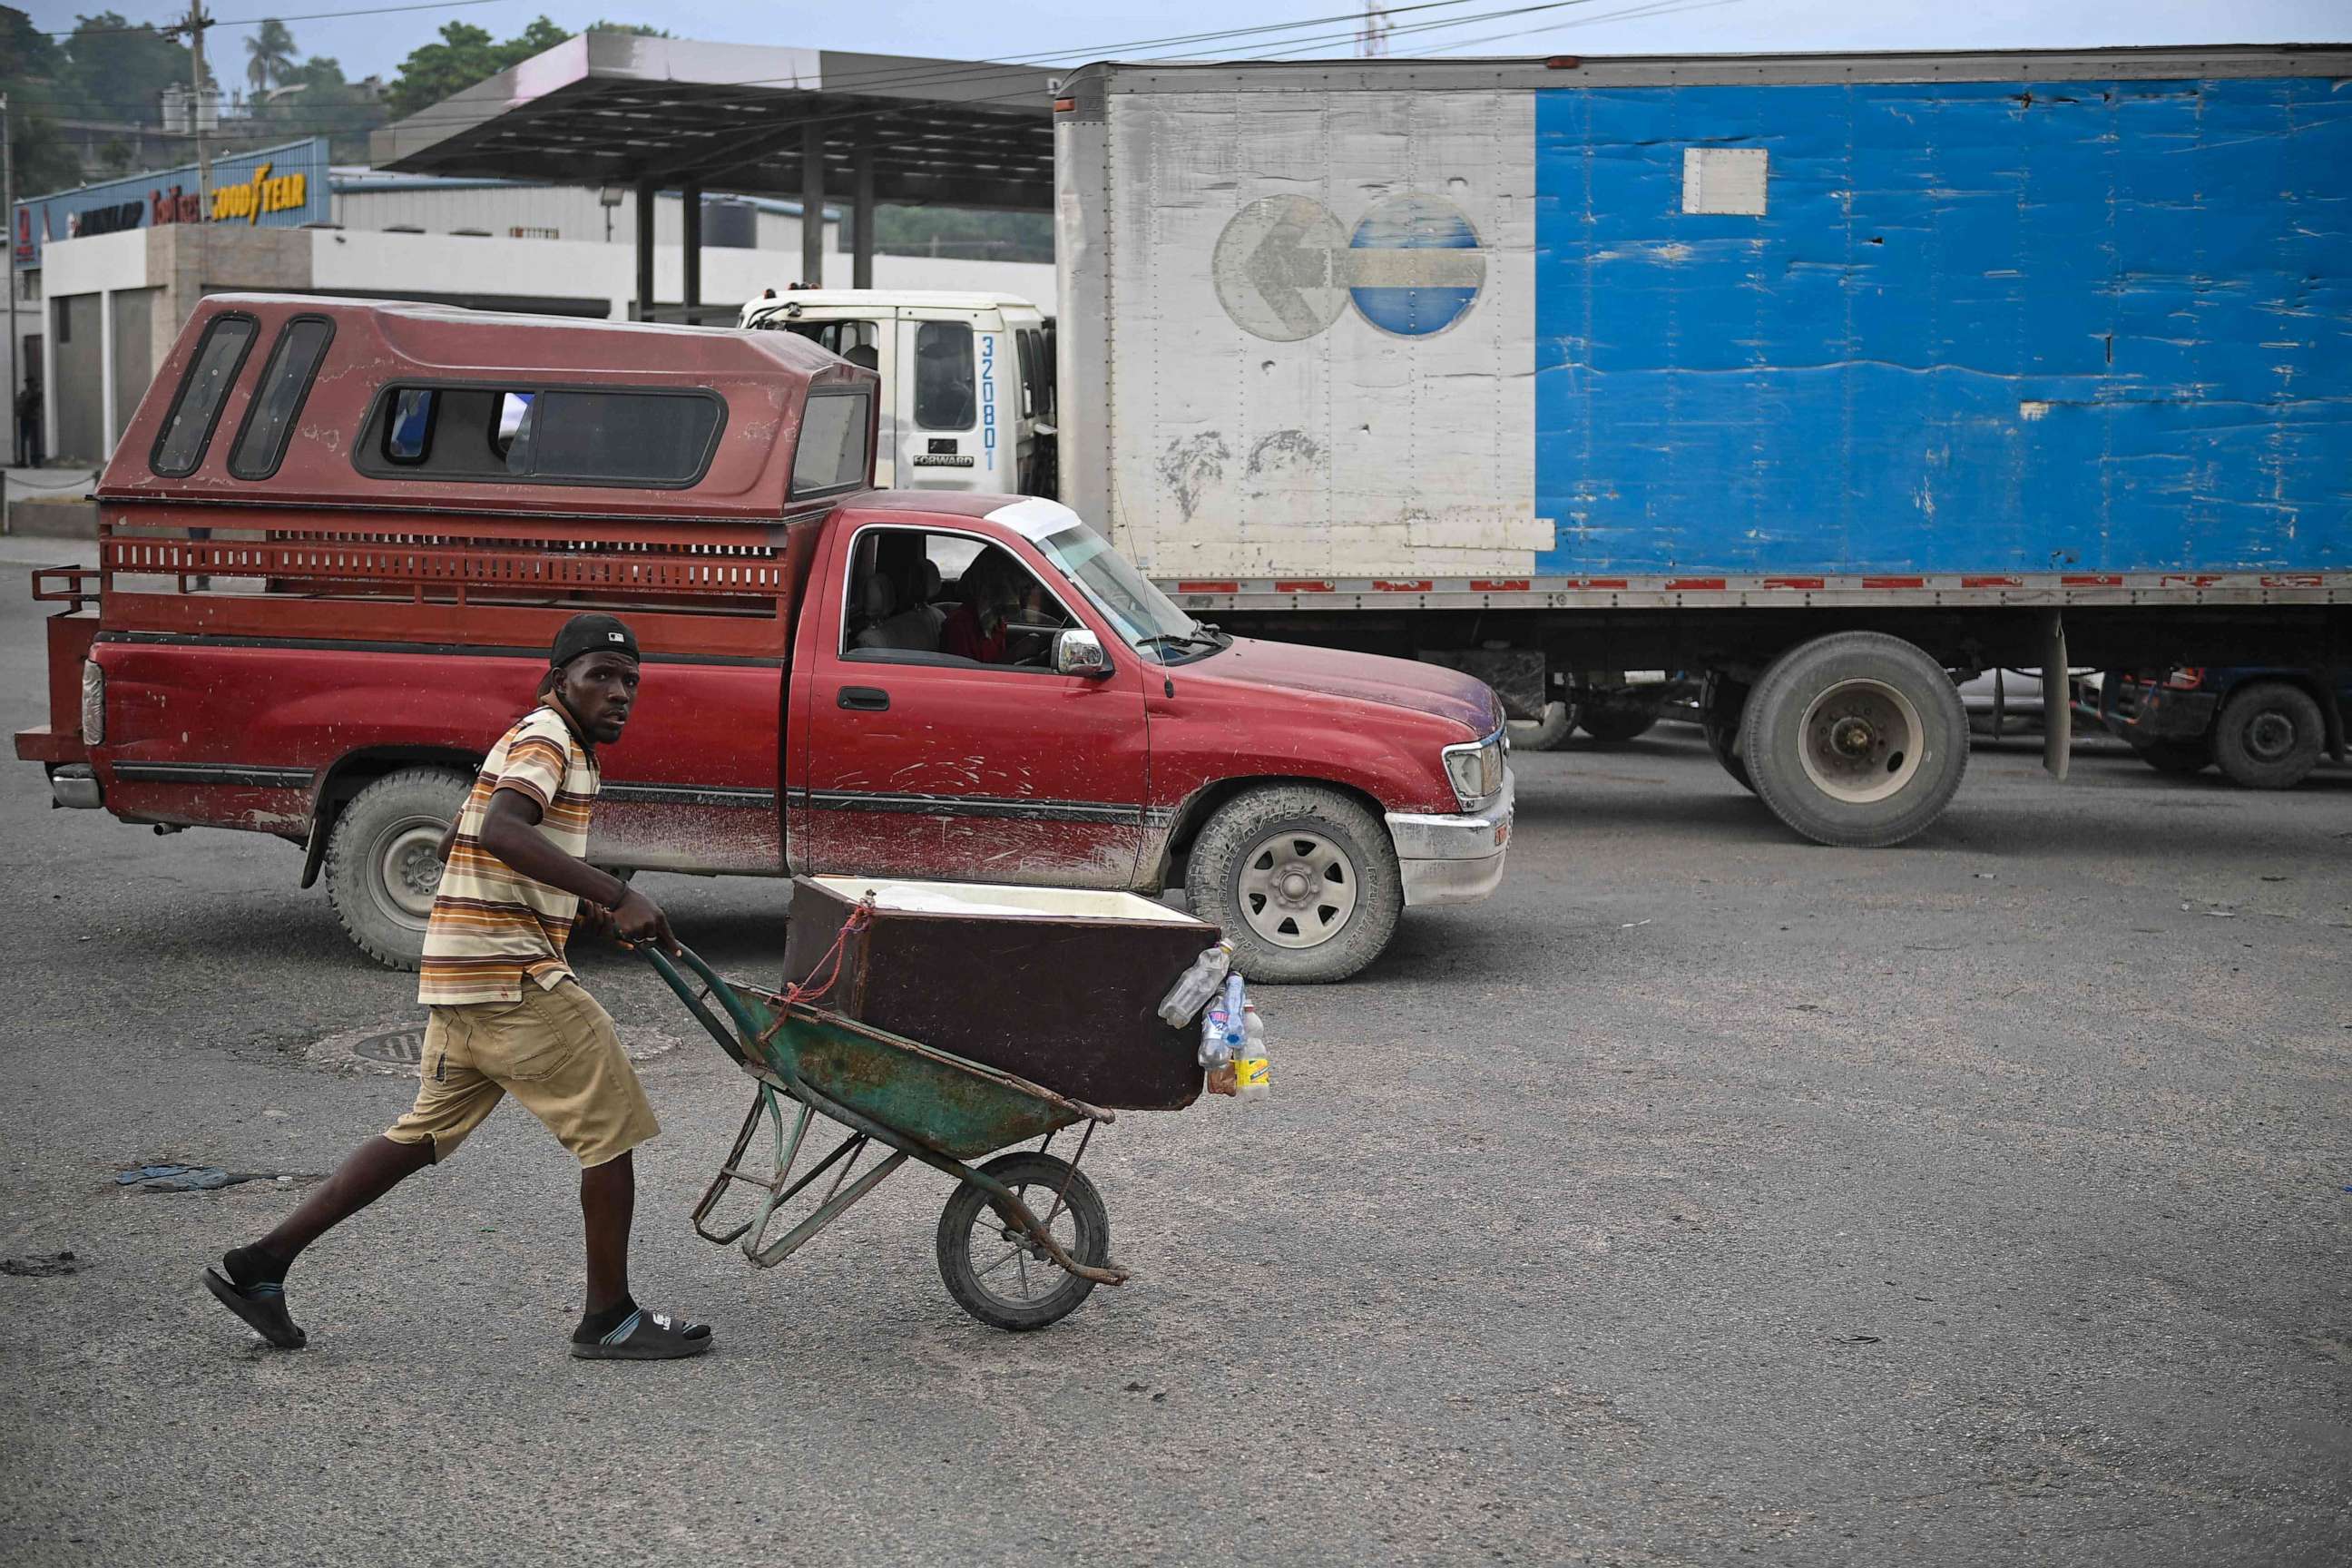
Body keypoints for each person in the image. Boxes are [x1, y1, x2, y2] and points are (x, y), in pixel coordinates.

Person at [202, 613, 714, 1361]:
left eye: (629, 680)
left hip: (463, 975)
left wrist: (589, 907)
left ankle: (260, 1266)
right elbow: (503, 832)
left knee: (422, 1134)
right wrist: (615, 890)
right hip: (508, 975)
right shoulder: (548, 739)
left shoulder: (530, 737)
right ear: (557, 678)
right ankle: (610, 1317)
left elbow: (461, 836)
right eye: (599, 675)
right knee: (612, 1129)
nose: (618, 693)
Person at [941, 551, 1026, 664]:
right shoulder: (960, 624)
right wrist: (1016, 653)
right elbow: (970, 675)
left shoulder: (995, 620)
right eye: (1011, 583)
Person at [15, 368, 42, 467]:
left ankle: (36, 461)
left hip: (32, 418)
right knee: (24, 440)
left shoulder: (36, 394)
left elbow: (34, 405)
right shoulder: (25, 393)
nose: (28, 385)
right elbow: (20, 404)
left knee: (34, 441)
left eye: (29, 383)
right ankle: (24, 461)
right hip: (26, 418)